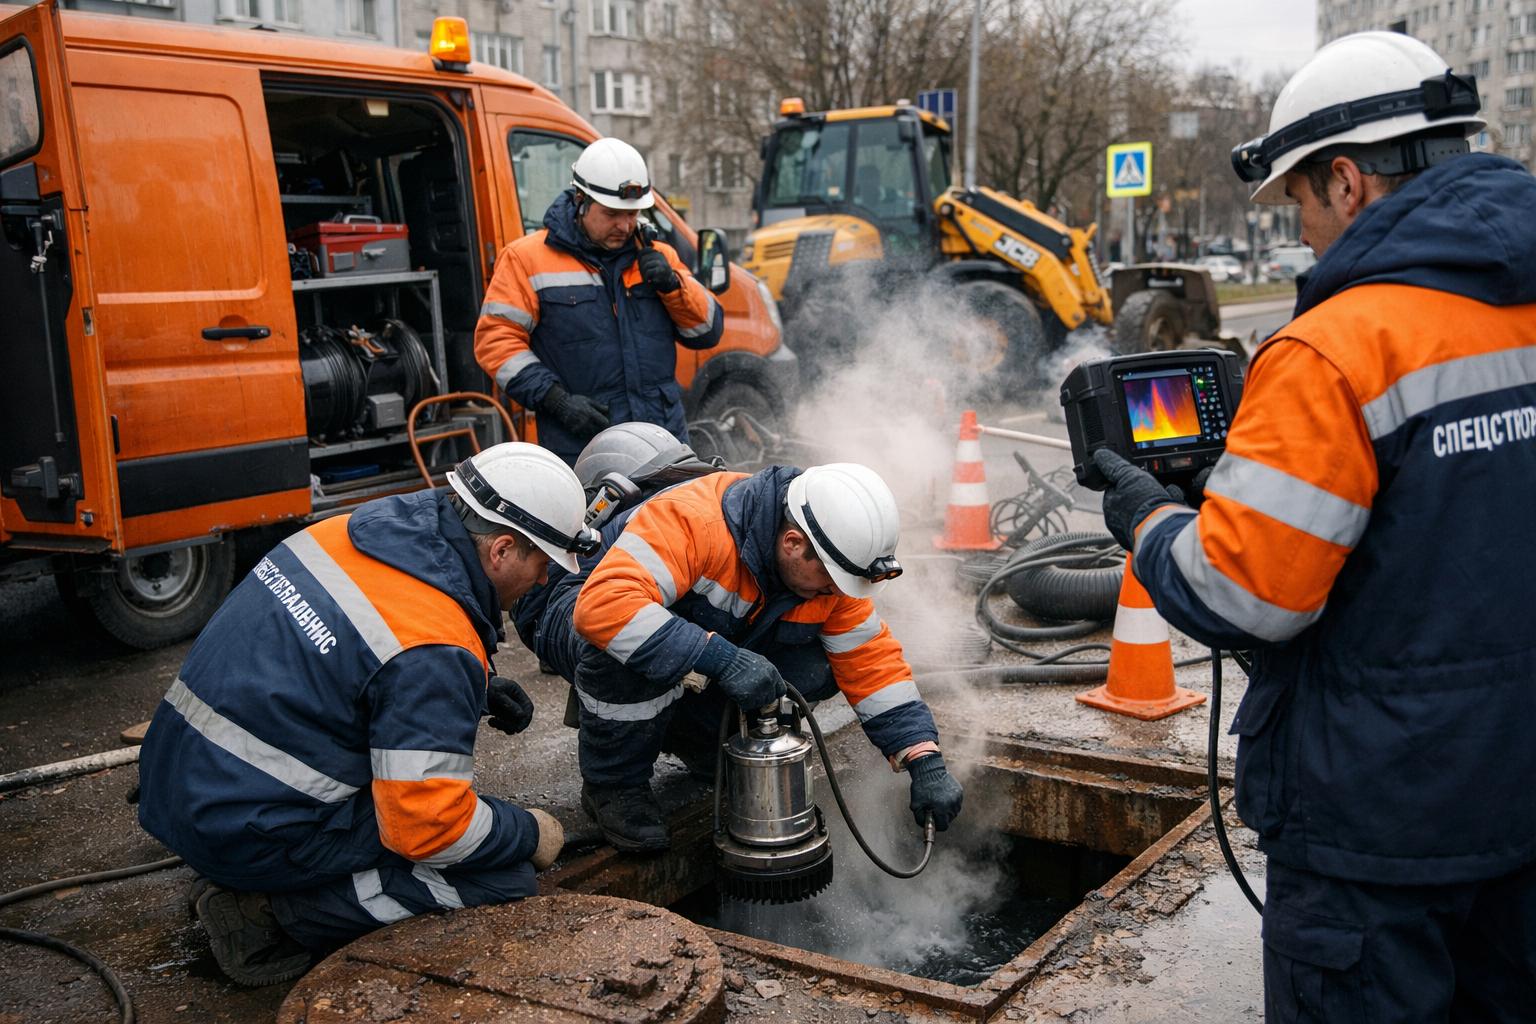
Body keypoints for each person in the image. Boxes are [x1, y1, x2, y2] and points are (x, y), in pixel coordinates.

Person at [1093, 32, 1536, 1022]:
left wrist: (1155, 519)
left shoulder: (1338, 344)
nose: (1301, 230)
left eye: (1296, 199)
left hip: (1376, 833)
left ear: (1347, 181)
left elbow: (1244, 595)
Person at [136, 442, 597, 986]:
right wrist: (523, 832)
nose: (544, 581)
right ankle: (269, 915)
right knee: (499, 880)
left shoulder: (352, 532)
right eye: (542, 563)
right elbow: (429, 830)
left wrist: (480, 683)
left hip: (177, 781)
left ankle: (256, 871)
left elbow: (349, 656)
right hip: (239, 827)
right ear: (499, 551)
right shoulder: (432, 649)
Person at [532, 458, 964, 853]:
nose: (837, 593)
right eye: (832, 581)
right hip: (575, 605)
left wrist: (922, 758)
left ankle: (704, 743)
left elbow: (870, 661)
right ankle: (615, 786)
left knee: (812, 668)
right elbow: (604, 609)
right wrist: (718, 657)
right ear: (793, 543)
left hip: (691, 626)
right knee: (630, 653)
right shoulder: (696, 521)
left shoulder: (831, 566)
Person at [474, 137, 725, 465]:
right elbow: (496, 342)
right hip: (583, 444)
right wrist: (556, 400)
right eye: (612, 214)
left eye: (632, 213)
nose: (624, 225)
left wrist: (672, 285)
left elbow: (707, 331)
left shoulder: (658, 256)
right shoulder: (526, 259)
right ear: (581, 200)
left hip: (663, 440)